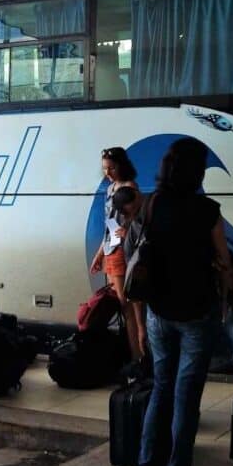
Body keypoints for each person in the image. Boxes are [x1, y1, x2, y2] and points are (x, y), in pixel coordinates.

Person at [134, 137, 233, 466]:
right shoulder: (208, 211)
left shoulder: (151, 203)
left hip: (158, 311)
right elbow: (224, 262)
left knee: (161, 388)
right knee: (186, 396)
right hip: (196, 313)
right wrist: (225, 298)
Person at [114, 185, 233, 393]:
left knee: (178, 371)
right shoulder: (144, 229)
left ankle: (178, 410)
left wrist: (142, 327)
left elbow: (134, 288)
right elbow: (135, 287)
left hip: (182, 303)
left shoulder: (144, 230)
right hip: (198, 297)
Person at [90, 146, 145, 359]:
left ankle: (138, 355)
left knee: (128, 305)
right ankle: (133, 354)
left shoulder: (130, 187)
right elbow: (109, 225)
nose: (107, 172)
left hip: (123, 249)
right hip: (110, 248)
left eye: (111, 168)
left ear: (121, 165)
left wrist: (127, 232)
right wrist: (99, 254)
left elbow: (136, 221)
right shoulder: (110, 188)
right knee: (122, 304)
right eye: (104, 168)